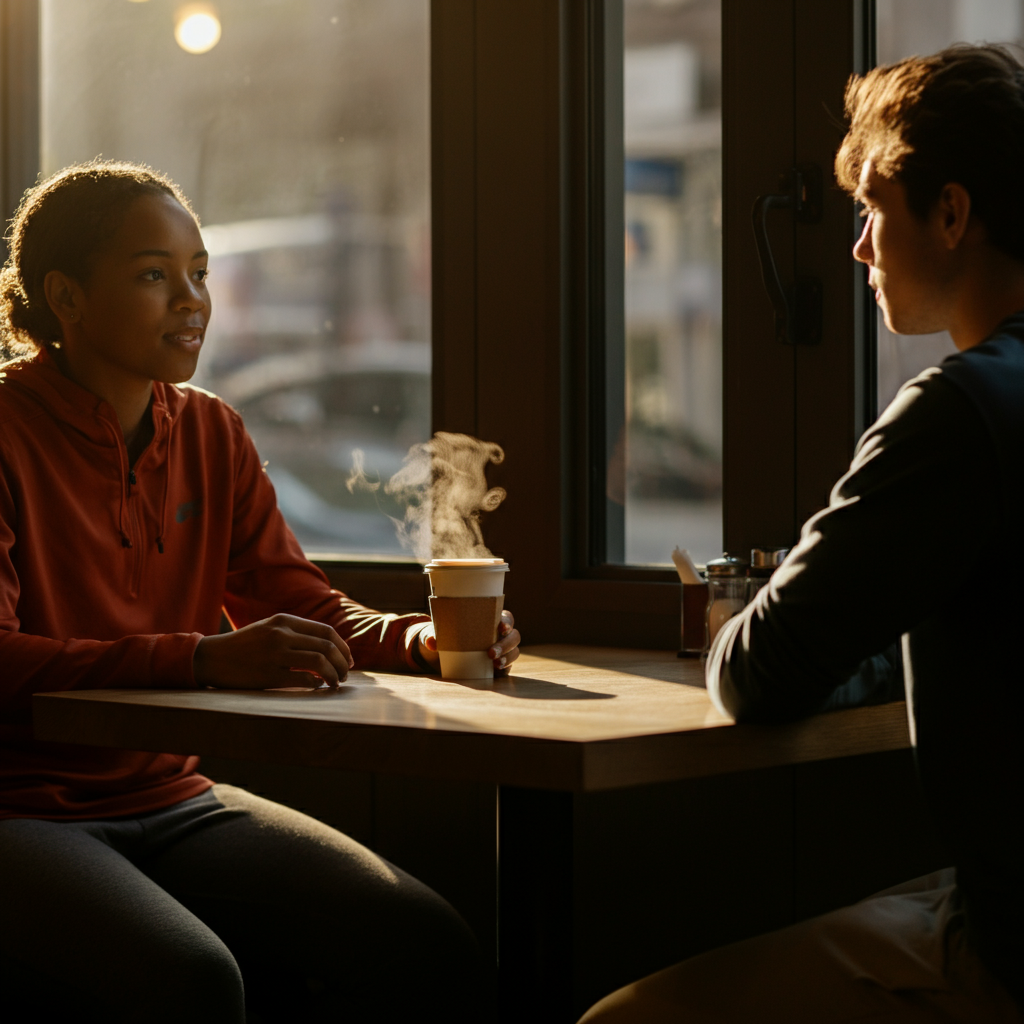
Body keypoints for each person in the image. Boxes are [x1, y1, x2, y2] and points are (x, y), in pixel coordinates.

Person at [0, 160, 520, 1023]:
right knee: (194, 982)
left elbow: (306, 607)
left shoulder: (211, 430)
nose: (192, 299)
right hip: (17, 807)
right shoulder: (7, 432)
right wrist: (203, 660)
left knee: (422, 939)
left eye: (199, 272)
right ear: (67, 296)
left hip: (168, 795)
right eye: (154, 275)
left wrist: (421, 641)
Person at [578, 44, 1024, 1024]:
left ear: (950, 215)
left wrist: (757, 603)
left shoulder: (960, 411)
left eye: (872, 207)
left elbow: (755, 671)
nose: (858, 247)